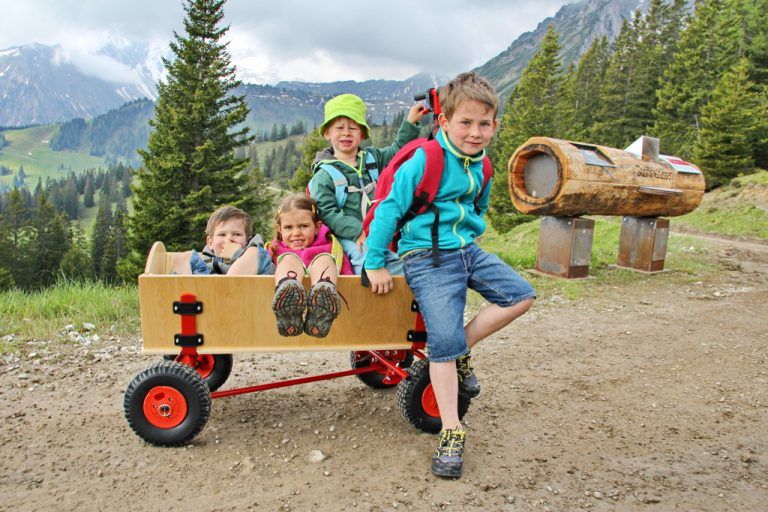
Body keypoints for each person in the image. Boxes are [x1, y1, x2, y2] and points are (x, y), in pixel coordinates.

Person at [363, 72, 536, 478]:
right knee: (440, 343)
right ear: (444, 122)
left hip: (466, 250)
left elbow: (478, 206)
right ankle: (452, 429)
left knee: (521, 295)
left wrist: (469, 231)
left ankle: (459, 352)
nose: (475, 133)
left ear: (495, 126)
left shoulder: (484, 165)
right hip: (427, 256)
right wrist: (373, 261)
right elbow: (388, 210)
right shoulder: (426, 159)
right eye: (466, 122)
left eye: (484, 124)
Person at [308, 93, 426, 274]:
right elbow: (327, 213)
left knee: (408, 253)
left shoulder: (372, 158)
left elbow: (397, 152)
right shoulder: (324, 175)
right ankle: (377, 294)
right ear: (327, 133)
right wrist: (357, 231)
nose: (346, 133)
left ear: (362, 134)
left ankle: (409, 289)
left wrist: (410, 122)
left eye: (353, 128)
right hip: (348, 235)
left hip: (380, 229)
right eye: (339, 128)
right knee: (366, 258)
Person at [269, 194, 353, 338]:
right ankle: (289, 297)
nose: (296, 233)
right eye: (288, 227)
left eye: (303, 226)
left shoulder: (330, 247)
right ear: (279, 229)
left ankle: (322, 299)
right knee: (288, 259)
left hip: (327, 285)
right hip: (286, 280)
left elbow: (346, 271)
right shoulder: (275, 250)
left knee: (325, 259)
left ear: (317, 227)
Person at [170, 205, 274, 276]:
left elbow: (269, 270)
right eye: (222, 234)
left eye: (237, 234)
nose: (229, 239)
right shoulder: (200, 263)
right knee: (184, 258)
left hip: (241, 300)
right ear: (210, 242)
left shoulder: (255, 256)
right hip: (204, 300)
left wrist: (238, 254)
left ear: (247, 240)